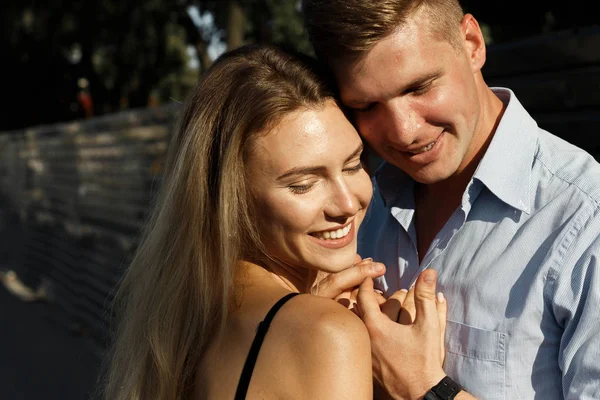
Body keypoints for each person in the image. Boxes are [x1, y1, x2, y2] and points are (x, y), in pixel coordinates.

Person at [99, 43, 447, 400]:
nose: (346, 203)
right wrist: (421, 389)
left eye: (353, 164)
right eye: (303, 184)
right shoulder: (328, 334)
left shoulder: (189, 315)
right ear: (231, 199)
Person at [303, 0, 600, 399]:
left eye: (418, 87)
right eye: (367, 106)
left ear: (472, 43)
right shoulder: (358, 208)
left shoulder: (585, 221)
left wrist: (424, 388)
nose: (403, 131)